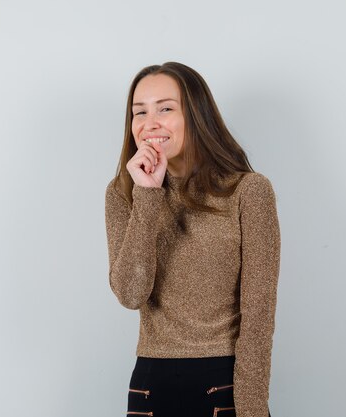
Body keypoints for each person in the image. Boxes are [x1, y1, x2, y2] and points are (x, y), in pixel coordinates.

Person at [104, 62, 280, 417]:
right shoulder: (123, 193)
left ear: (196, 115)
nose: (149, 123)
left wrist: (252, 408)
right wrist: (149, 196)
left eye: (166, 108)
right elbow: (130, 293)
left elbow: (259, 315)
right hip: (150, 386)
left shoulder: (248, 191)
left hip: (223, 385)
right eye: (140, 112)